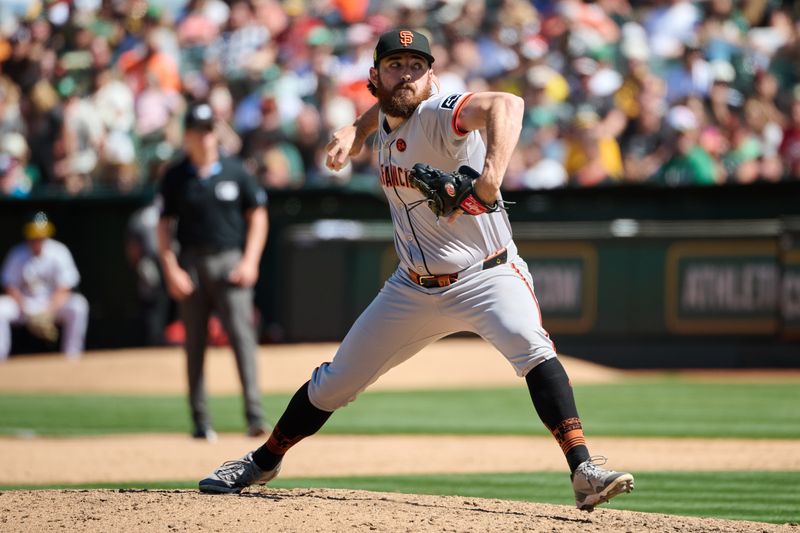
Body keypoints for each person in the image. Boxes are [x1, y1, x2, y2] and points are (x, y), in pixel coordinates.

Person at [198, 29, 634, 511]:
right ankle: (264, 460)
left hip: (486, 275)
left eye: (416, 66)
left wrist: (489, 179)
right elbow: (387, 110)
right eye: (394, 65)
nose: (406, 74)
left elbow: (507, 105)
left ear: (433, 75)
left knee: (533, 349)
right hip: (412, 287)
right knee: (336, 382)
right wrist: (355, 130)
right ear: (374, 76)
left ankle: (583, 470)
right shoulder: (390, 114)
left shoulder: (438, 112)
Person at [157, 101, 270, 441]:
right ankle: (201, 420)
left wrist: (250, 261)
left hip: (230, 260)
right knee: (194, 343)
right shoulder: (176, 175)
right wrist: (170, 268)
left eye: (209, 130)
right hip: (191, 263)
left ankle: (254, 416)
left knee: (242, 339)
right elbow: (163, 224)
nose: (205, 138)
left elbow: (258, 216)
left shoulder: (236, 171)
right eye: (198, 131)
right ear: (188, 135)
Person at [0, 211, 88, 361]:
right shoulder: (17, 253)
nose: (38, 239)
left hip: (52, 305)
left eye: (41, 235)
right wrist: (27, 310)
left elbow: (65, 287)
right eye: (34, 235)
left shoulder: (59, 251)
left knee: (78, 305)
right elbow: (9, 286)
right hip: (24, 306)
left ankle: (72, 356)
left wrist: (48, 312)